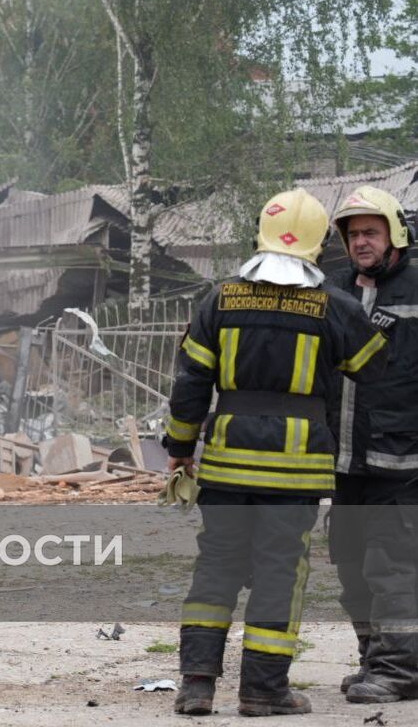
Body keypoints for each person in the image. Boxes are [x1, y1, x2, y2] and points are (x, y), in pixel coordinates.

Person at [165, 188, 387, 717]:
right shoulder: (334, 305)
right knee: (278, 572)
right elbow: (374, 368)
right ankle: (264, 691)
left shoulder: (220, 298)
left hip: (225, 462)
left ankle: (196, 685)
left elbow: (190, 381)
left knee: (215, 566)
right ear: (317, 245)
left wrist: (179, 448)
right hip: (296, 468)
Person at [327, 185, 418, 704]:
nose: (361, 242)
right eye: (353, 233)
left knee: (392, 568)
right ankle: (374, 660)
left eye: (371, 232)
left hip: (403, 464)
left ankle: (399, 670)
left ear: (394, 234)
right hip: (345, 464)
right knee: (352, 568)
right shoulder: (334, 289)